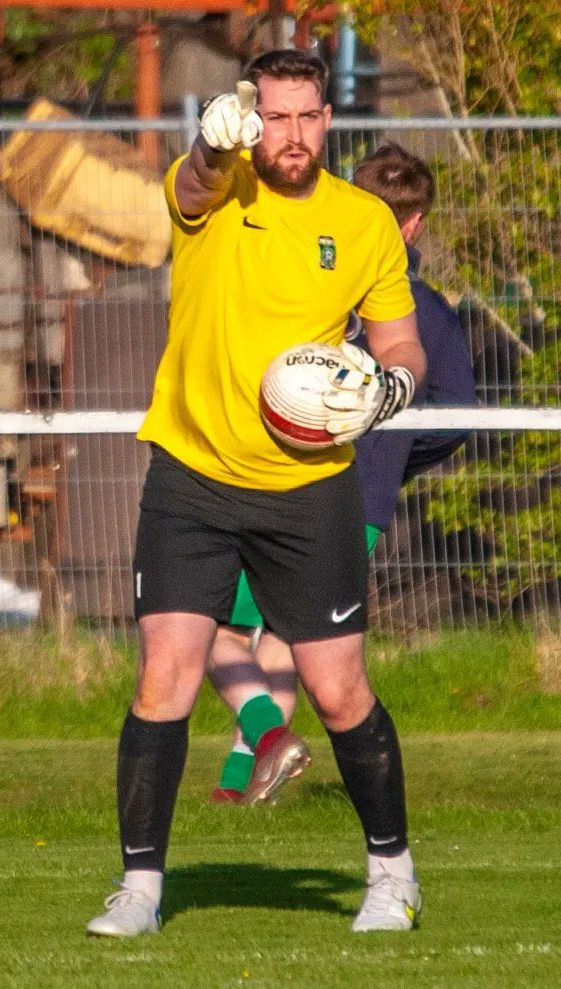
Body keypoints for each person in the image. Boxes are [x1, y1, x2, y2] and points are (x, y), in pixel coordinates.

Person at [87, 49, 426, 937]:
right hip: (190, 473)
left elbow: (401, 343)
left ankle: (392, 872)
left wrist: (391, 388)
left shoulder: (362, 222)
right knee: (163, 673)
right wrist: (206, 146)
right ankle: (140, 890)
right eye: (276, 117)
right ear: (251, 115)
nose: (293, 135)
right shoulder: (215, 184)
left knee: (339, 690)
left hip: (306, 488)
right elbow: (192, 186)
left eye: (309, 116)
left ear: (326, 117)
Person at [207, 141, 477, 806]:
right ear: (414, 226)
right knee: (284, 630)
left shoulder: (306, 282)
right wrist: (392, 456)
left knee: (210, 621)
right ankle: (244, 781)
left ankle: (262, 749)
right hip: (363, 499)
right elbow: (456, 414)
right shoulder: (428, 311)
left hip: (281, 479)